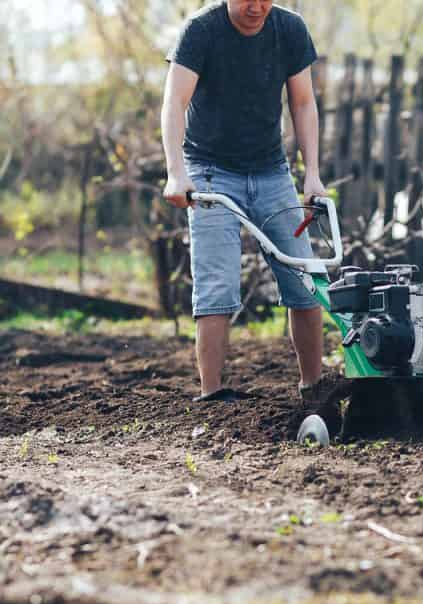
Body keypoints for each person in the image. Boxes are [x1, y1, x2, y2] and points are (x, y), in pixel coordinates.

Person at [161, 0, 329, 403]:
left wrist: (312, 174)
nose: (256, 7)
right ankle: (213, 395)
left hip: (271, 172)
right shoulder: (201, 30)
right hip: (210, 172)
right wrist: (176, 172)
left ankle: (315, 388)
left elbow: (303, 103)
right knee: (216, 285)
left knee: (305, 278)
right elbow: (173, 103)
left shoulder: (288, 29)